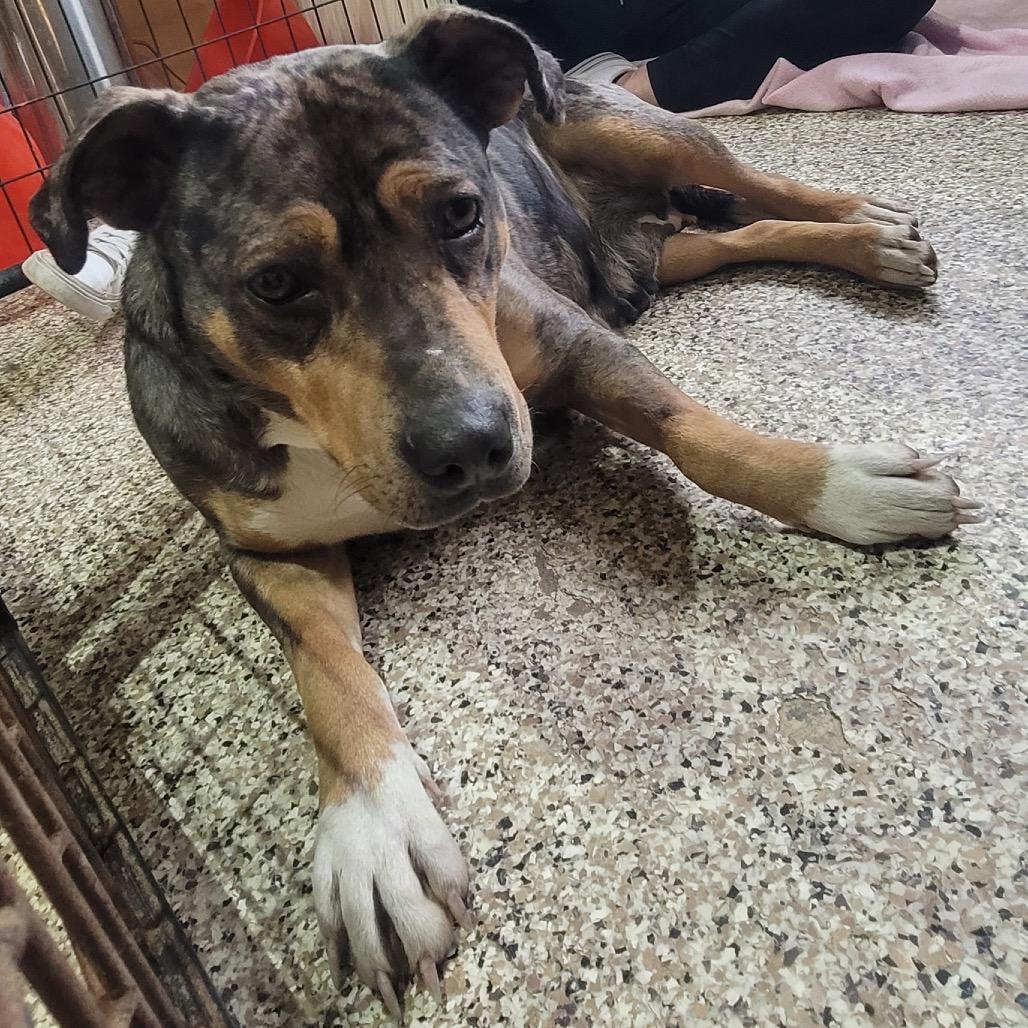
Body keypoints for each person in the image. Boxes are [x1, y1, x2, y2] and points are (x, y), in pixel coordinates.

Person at [23, 0, 934, 321]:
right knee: (595, 151)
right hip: (544, 98)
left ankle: (802, 201)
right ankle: (789, 216)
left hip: (656, 52)